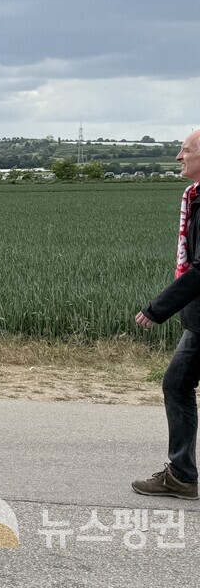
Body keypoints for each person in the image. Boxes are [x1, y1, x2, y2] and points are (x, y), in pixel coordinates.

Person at [133, 127, 200, 501]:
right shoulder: (195, 198)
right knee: (177, 383)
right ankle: (181, 475)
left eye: (185, 150)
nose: (178, 156)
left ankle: (182, 476)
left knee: (176, 384)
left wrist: (156, 309)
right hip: (198, 319)